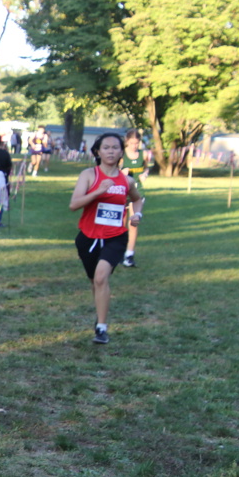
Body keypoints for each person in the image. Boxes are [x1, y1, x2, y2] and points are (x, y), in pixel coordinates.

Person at [69, 132, 144, 345]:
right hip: (88, 237)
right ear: (98, 152)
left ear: (121, 152)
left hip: (115, 237)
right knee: (95, 281)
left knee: (101, 277)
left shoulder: (127, 180)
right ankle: (99, 312)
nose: (111, 151)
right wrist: (98, 192)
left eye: (115, 148)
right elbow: (74, 205)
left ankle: (101, 328)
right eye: (106, 147)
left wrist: (137, 215)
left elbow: (137, 200)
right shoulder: (88, 175)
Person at [120, 129, 147, 268]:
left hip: (137, 193)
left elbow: (146, 168)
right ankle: (119, 251)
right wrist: (121, 173)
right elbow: (111, 171)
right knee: (121, 223)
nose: (134, 146)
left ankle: (129, 254)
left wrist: (145, 174)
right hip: (123, 192)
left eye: (136, 143)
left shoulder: (143, 154)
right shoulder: (121, 154)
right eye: (131, 143)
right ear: (127, 141)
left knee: (133, 223)